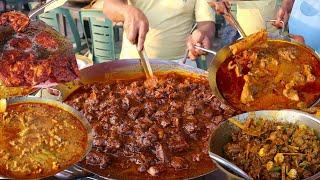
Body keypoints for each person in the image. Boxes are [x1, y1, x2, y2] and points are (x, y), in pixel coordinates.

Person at [103, 0, 215, 64]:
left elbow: (206, 23)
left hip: (181, 64)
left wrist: (203, 35)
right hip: (133, 62)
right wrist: (126, 11)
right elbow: (109, 5)